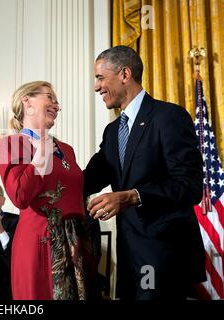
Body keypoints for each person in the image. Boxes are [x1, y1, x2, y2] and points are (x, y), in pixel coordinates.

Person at [84, 45, 206, 300]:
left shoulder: (168, 117)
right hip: (129, 256)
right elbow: (88, 179)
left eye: (100, 77)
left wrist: (132, 196)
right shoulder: (113, 131)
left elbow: (190, 186)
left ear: (124, 74)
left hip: (164, 256)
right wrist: (46, 156)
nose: (96, 87)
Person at [0, 81, 98, 300]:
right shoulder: (13, 143)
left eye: (57, 101)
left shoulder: (67, 150)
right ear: (27, 101)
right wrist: (41, 155)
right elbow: (19, 196)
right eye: (50, 98)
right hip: (41, 243)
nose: (57, 106)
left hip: (78, 241)